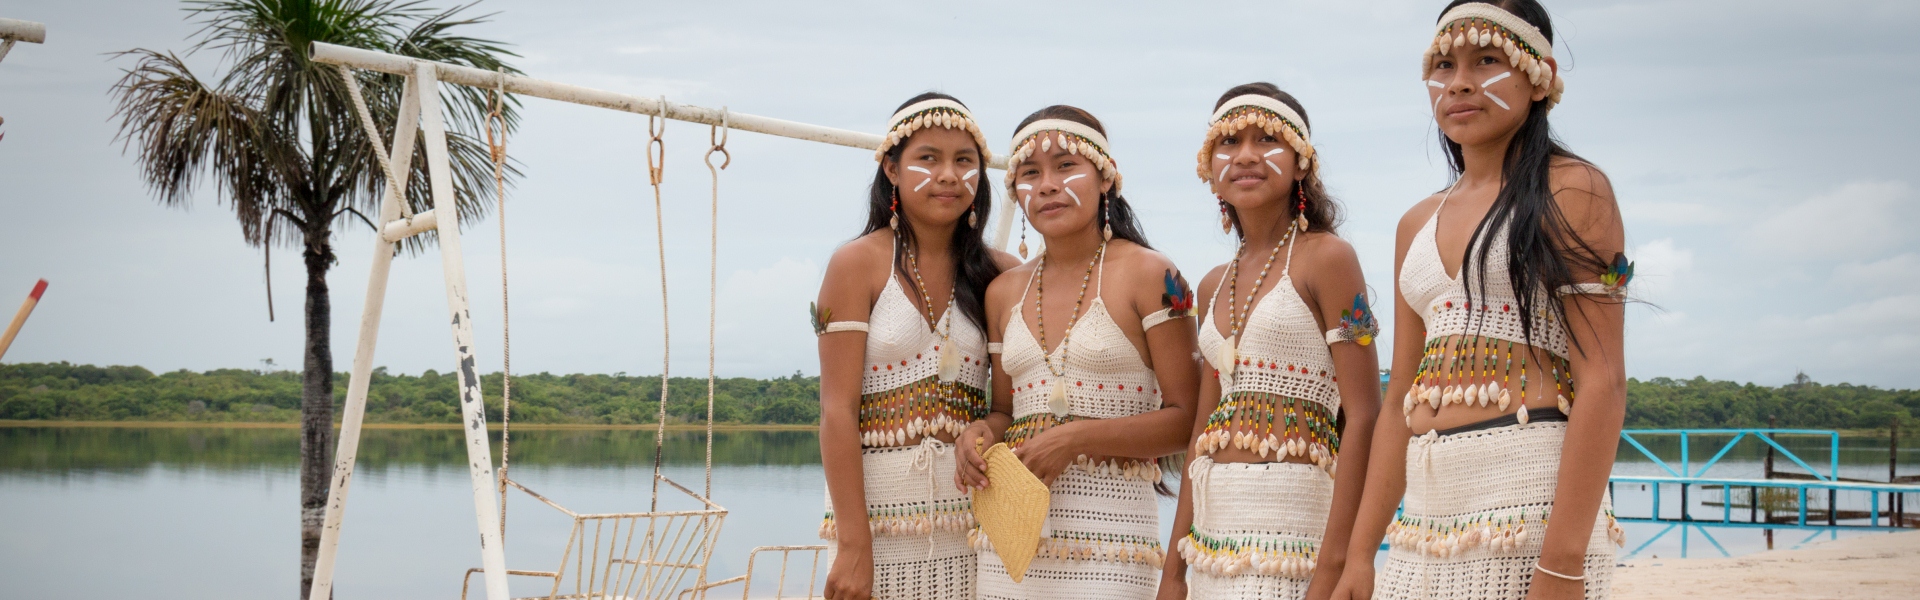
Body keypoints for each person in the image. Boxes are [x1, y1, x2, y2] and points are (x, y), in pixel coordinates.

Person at [1330, 2, 1632, 599]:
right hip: (1424, 518)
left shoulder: (1572, 188)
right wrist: (1361, 556)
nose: (1459, 81)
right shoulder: (1416, 222)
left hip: (1529, 502)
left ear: (1538, 75)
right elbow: (1398, 403)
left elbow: (1604, 379)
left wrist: (1562, 562)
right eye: (1443, 65)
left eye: (1486, 59)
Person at [954, 105, 1201, 600]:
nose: (1046, 185)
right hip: (1010, 546)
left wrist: (1076, 438)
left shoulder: (1153, 275)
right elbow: (1006, 410)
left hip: (1112, 544)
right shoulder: (1004, 292)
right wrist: (979, 432)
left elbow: (1187, 419)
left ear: (1105, 177)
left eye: (1066, 165)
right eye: (1030, 173)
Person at [1156, 84, 1382, 600]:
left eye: (1267, 140)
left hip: (1295, 536)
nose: (1247, 155)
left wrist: (1333, 566)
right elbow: (1199, 434)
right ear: (1209, 167)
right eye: (1229, 142)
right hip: (1213, 544)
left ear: (1301, 164)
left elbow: (1366, 413)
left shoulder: (1330, 259)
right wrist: (1174, 572)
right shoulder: (1214, 283)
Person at [815, 93, 1020, 600]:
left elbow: (1006, 409)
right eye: (928, 158)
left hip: (976, 520)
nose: (948, 175)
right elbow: (836, 411)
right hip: (876, 526)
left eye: (964, 161)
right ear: (891, 168)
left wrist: (983, 431)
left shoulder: (1004, 273)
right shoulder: (855, 265)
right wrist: (853, 544)